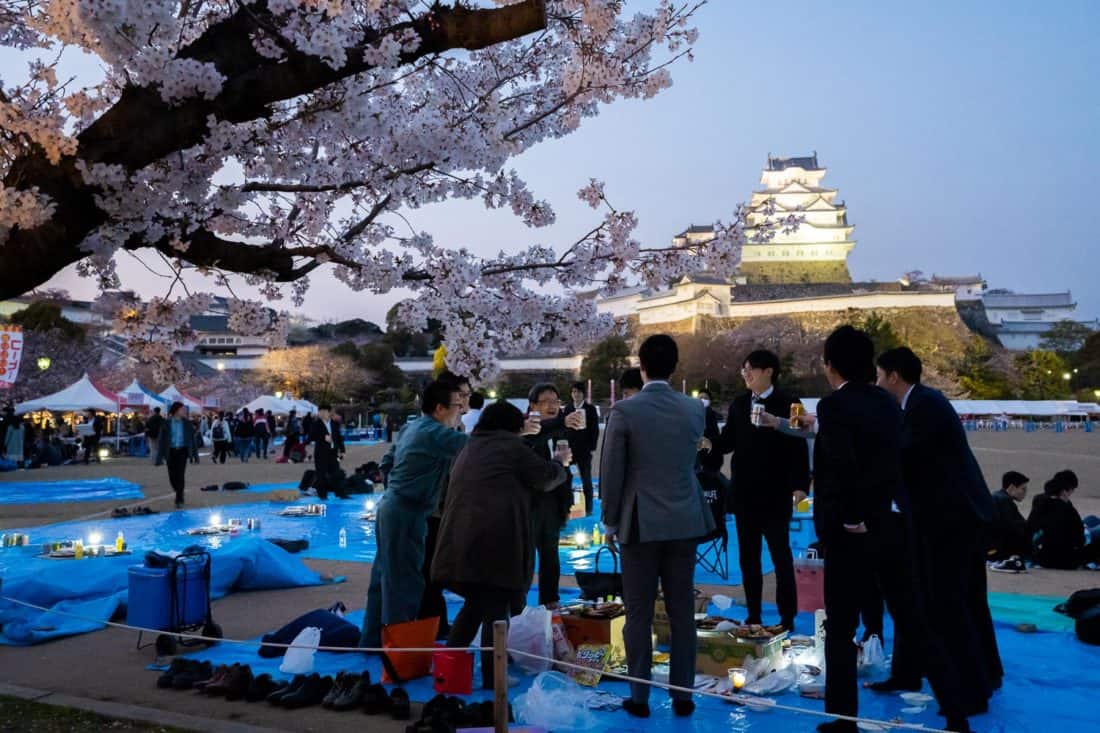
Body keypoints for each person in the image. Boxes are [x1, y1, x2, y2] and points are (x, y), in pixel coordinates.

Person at [874, 346, 999, 731]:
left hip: (953, 520)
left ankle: (971, 691)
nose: (878, 383)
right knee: (929, 598)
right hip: (942, 517)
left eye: (879, 376)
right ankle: (914, 672)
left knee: (948, 604)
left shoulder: (925, 405)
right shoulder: (920, 404)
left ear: (894, 376)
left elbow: (903, 454)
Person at [600, 334, 715, 719]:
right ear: (675, 366)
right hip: (684, 517)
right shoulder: (694, 409)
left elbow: (612, 473)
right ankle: (683, 695)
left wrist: (609, 521)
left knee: (638, 612)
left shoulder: (626, 412)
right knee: (682, 610)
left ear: (641, 365)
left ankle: (640, 696)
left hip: (640, 519)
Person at [433, 400, 569, 689]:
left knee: (474, 607)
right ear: (512, 426)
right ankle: (493, 677)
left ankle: (449, 671)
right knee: (496, 608)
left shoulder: (471, 446)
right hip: (493, 544)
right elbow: (544, 477)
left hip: (458, 542)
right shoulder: (510, 447)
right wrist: (561, 463)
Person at [810, 326, 904, 733]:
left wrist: (851, 516)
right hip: (888, 521)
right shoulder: (888, 403)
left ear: (830, 364)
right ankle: (955, 710)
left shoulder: (835, 406)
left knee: (842, 624)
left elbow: (842, 466)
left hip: (850, 529)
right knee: (906, 611)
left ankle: (843, 716)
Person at [360, 381, 469, 648]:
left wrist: (397, 486)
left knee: (384, 577)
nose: (462, 408)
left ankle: (373, 642)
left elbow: (387, 462)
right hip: (408, 512)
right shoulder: (434, 432)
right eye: (458, 404)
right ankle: (399, 653)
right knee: (404, 584)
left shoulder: (412, 427)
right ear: (441, 408)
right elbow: (477, 446)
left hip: (391, 506)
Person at [708, 350, 809, 631]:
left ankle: (786, 618)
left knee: (780, 556)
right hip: (744, 493)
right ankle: (753, 615)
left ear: (769, 371)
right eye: (743, 370)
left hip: (776, 494)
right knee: (748, 558)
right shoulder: (739, 404)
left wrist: (801, 485)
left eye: (750, 369)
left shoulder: (790, 402)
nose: (746, 374)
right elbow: (726, 442)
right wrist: (705, 442)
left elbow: (799, 445)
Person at [525, 382, 583, 608]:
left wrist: (566, 504)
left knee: (550, 557)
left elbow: (565, 470)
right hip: (530, 506)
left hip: (552, 506)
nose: (552, 406)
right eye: (545, 402)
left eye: (555, 402)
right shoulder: (526, 430)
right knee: (526, 561)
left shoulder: (561, 432)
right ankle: (518, 613)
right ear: (532, 406)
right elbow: (536, 438)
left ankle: (550, 604)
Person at [1028, 470, 1100, 569]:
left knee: (1091, 519)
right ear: (1065, 491)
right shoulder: (1067, 509)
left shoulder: (1039, 500)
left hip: (1041, 556)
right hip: (1065, 560)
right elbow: (1079, 540)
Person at [563, 382, 600, 517]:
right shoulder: (567, 408)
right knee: (566, 477)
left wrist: (592, 447)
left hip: (584, 450)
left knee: (586, 480)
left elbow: (594, 430)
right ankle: (568, 505)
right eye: (573, 392)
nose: (575, 394)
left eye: (578, 392)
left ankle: (589, 509)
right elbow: (563, 429)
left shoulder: (590, 409)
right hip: (570, 450)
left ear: (583, 393)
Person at [988, 470, 1031, 566]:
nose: (1025, 493)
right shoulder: (1004, 501)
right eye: (1023, 489)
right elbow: (1014, 528)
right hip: (997, 551)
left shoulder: (997, 496)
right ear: (1011, 487)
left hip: (990, 548)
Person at [159, 402, 195, 509]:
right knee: (172, 476)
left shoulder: (187, 423)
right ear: (176, 410)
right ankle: (179, 490)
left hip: (182, 451)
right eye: (182, 409)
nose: (184, 411)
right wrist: (160, 455)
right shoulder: (167, 423)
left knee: (180, 474)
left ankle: (179, 498)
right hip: (170, 451)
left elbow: (192, 439)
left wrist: (193, 454)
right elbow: (162, 439)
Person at [309, 404, 346, 498]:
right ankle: (322, 496)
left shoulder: (334, 423)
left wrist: (342, 450)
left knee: (336, 473)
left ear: (329, 412)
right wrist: (323, 437)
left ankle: (341, 494)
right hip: (321, 453)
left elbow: (339, 438)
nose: (321, 413)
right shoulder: (316, 424)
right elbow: (311, 437)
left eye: (324, 411)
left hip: (333, 452)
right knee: (321, 475)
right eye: (320, 411)